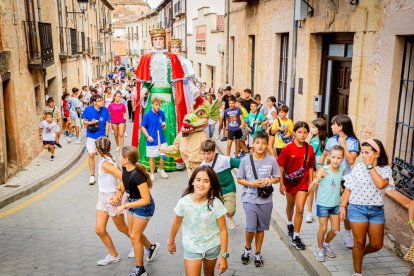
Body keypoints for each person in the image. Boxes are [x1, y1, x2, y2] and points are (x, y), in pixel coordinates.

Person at [132, 28, 188, 172]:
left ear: (164, 40)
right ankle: (150, 161)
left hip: (168, 101)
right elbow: (143, 81)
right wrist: (143, 89)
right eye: (155, 39)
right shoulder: (146, 58)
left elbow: (177, 83)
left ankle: (169, 161)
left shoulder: (172, 58)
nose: (158, 42)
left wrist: (177, 99)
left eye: (161, 39)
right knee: (151, 127)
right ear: (152, 41)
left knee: (168, 127)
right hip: (152, 99)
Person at [340, 139, 394, 276]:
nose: (363, 155)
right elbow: (348, 188)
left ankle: (359, 254)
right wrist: (342, 207)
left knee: (377, 244)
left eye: (366, 152)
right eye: (362, 152)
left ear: (376, 154)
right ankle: (357, 273)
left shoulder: (386, 169)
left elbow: (381, 185)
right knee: (359, 242)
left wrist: (370, 167)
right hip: (357, 208)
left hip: (376, 211)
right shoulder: (358, 167)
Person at [168, 166, 229, 276]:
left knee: (209, 273)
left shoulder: (216, 204)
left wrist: (223, 255)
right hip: (192, 246)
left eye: (206, 181)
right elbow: (177, 222)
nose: (201, 184)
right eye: (198, 180)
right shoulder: (183, 202)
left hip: (212, 246)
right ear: (192, 182)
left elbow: (223, 230)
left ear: (211, 185)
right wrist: (171, 241)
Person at [237, 132, 280, 267]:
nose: (260, 146)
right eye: (258, 143)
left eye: (263, 143)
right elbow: (239, 179)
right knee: (250, 228)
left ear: (267, 145)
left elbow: (277, 178)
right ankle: (247, 248)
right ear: (253, 144)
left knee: (260, 228)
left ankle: (258, 252)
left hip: (266, 200)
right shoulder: (245, 160)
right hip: (249, 198)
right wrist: (251, 184)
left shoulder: (272, 160)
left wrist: (270, 179)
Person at [116, 146, 160, 276]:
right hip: (132, 203)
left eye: (120, 156)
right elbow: (124, 181)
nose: (119, 157)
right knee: (133, 233)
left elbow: (146, 199)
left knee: (134, 236)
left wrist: (124, 206)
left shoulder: (138, 176)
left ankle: (140, 269)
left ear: (126, 159)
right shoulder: (125, 168)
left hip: (143, 206)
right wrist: (119, 193)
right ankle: (151, 248)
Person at [318, 114, 360, 249]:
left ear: (340, 126)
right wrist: (319, 166)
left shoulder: (353, 142)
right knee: (331, 201)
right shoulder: (330, 140)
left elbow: (352, 161)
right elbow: (325, 154)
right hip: (331, 176)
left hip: (345, 178)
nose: (331, 126)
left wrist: (343, 145)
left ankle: (348, 234)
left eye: (333, 124)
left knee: (345, 207)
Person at [278, 121, 315, 250]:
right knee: (290, 205)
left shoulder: (309, 148)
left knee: (300, 209)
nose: (303, 135)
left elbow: (311, 167)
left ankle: (296, 236)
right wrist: (281, 183)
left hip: (303, 182)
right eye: (300, 132)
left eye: (305, 132)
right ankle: (289, 223)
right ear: (294, 133)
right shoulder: (288, 148)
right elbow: (281, 166)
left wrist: (311, 184)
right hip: (289, 182)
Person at [94, 137, 132, 266]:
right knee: (99, 229)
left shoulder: (106, 164)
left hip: (112, 199)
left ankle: (144, 245)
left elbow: (124, 178)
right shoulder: (106, 161)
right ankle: (113, 255)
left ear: (96, 149)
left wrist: (117, 195)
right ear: (109, 148)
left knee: (122, 227)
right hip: (102, 198)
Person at [308, 145, 345, 262]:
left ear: (343, 159)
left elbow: (339, 185)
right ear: (329, 157)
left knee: (335, 230)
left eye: (339, 158)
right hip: (323, 204)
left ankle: (326, 244)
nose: (336, 160)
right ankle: (319, 250)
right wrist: (315, 181)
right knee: (323, 229)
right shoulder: (324, 170)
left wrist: (343, 191)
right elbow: (310, 189)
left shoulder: (342, 169)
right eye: (333, 157)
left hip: (335, 205)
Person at [200, 140, 241, 230]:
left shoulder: (225, 160)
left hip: (228, 188)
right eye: (204, 154)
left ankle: (230, 217)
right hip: (213, 192)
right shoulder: (202, 166)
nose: (206, 156)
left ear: (214, 152)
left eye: (209, 153)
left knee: (230, 212)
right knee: (212, 213)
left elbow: (241, 164)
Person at [82, 95, 111, 185]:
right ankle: (92, 176)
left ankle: (105, 174)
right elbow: (84, 121)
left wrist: (106, 136)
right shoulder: (88, 109)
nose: (101, 102)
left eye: (102, 100)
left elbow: (107, 123)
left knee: (103, 156)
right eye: (99, 101)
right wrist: (92, 122)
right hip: (91, 135)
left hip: (101, 136)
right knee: (91, 155)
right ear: (94, 102)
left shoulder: (105, 110)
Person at [305, 118, 329, 223]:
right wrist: (308, 138)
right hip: (311, 167)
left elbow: (328, 156)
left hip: (321, 169)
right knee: (311, 189)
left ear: (319, 129)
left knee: (320, 190)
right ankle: (309, 212)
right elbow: (304, 150)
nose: (311, 129)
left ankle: (317, 209)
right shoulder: (310, 138)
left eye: (313, 127)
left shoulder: (326, 140)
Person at [141, 97, 169, 182]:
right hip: (151, 139)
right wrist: (148, 136)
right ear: (152, 104)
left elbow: (163, 123)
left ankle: (160, 169)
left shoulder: (162, 113)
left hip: (162, 138)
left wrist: (164, 126)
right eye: (156, 105)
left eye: (159, 105)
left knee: (164, 155)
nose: (158, 107)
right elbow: (142, 126)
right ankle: (152, 173)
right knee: (152, 158)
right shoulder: (147, 115)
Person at [169, 38, 197, 110]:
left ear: (179, 49)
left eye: (176, 47)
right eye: (172, 47)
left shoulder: (185, 62)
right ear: (170, 49)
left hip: (182, 89)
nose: (174, 49)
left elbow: (190, 79)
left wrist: (194, 89)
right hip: (169, 90)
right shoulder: (167, 62)